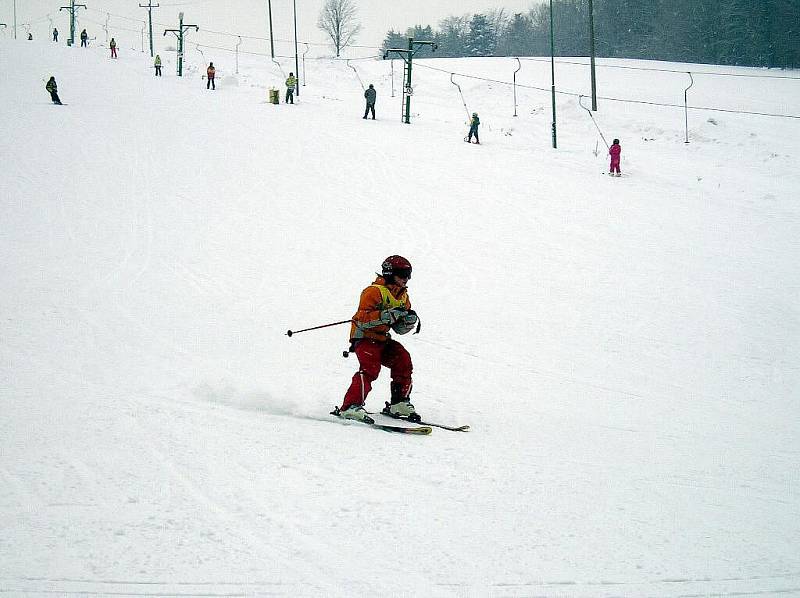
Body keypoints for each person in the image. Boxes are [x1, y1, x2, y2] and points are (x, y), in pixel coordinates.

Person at [333, 255, 421, 424]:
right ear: (390, 273)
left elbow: (399, 329)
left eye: (409, 275)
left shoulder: (403, 296)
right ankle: (350, 406)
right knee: (370, 368)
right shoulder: (373, 291)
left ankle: (399, 402)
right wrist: (386, 316)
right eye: (402, 274)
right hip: (364, 338)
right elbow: (361, 320)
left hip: (382, 339)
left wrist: (408, 322)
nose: (406, 279)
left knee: (403, 359)